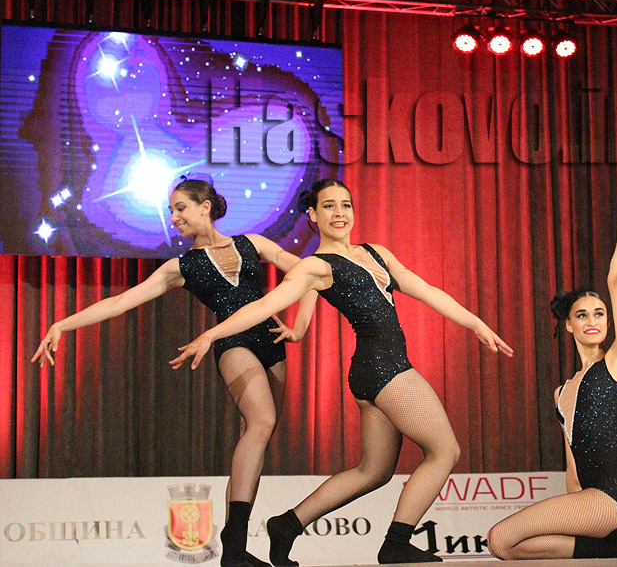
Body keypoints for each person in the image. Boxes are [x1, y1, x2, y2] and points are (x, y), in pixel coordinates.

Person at [171, 177, 512, 565]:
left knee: (373, 472)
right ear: (313, 215)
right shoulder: (316, 266)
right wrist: (211, 334)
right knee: (445, 451)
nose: (339, 213)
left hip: (374, 370)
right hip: (385, 368)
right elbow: (263, 307)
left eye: (345, 205)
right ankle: (397, 542)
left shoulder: (376, 252)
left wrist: (475, 323)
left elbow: (426, 290)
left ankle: (288, 524)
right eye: (329, 206)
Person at [31, 178, 317, 567]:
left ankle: (234, 548)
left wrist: (299, 327)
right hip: (231, 343)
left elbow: (311, 276)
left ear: (205, 207)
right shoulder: (179, 267)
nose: (174, 217)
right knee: (261, 421)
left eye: (180, 208)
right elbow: (120, 301)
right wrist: (62, 324)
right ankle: (234, 540)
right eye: (171, 211)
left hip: (272, 342)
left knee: (258, 436)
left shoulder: (253, 243)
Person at [487, 182, 617, 560]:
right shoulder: (561, 392)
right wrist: (578, 510)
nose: (592, 321)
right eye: (582, 315)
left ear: (609, 322)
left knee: (499, 535)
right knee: (506, 545)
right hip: (590, 501)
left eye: (599, 313)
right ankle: (616, 548)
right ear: (569, 325)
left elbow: (616, 280)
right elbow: (573, 470)